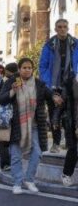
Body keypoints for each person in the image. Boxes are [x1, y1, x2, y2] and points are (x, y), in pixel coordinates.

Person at [0, 58, 54, 194]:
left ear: (32, 69)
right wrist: (13, 91)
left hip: (34, 125)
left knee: (37, 153)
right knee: (16, 156)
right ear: (19, 69)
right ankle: (17, 183)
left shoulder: (38, 84)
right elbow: (1, 99)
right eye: (24, 67)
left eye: (29, 68)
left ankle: (29, 180)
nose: (27, 70)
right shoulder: (13, 81)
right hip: (16, 125)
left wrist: (56, 97)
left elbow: (50, 96)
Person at [37, 18, 78, 185]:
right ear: (55, 29)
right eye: (59, 27)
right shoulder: (49, 45)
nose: (62, 29)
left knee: (70, 114)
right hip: (54, 85)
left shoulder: (75, 43)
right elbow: (43, 66)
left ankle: (69, 142)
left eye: (65, 27)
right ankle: (55, 142)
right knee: (55, 115)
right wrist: (49, 86)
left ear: (68, 28)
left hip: (71, 84)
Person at [0, 62, 18, 171]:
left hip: (4, 115)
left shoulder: (6, 81)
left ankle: (5, 164)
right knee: (9, 141)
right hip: (13, 114)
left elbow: (0, 99)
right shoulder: (19, 80)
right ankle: (8, 163)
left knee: (3, 140)